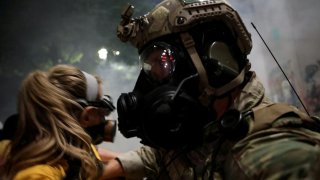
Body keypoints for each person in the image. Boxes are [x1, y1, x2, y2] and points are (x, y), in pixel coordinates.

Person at [101, 0, 320, 179]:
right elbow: (165, 156)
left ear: (213, 61)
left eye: (164, 63)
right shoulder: (206, 129)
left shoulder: (262, 150)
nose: (153, 83)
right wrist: (117, 167)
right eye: (150, 69)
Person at [0, 64, 118, 179]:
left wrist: (124, 161)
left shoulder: (69, 145)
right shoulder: (38, 174)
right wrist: (120, 167)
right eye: (101, 113)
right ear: (86, 116)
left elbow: (91, 153)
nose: (105, 121)